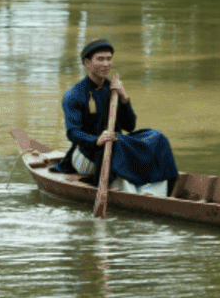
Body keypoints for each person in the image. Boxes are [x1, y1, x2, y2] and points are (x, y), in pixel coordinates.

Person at [53, 37, 179, 197]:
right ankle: (132, 195)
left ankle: (154, 194)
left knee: (157, 138)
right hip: (86, 156)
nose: (106, 64)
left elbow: (130, 126)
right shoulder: (74, 95)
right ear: (87, 63)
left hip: (116, 145)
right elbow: (73, 133)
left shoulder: (113, 89)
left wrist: (124, 98)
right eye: (100, 59)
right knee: (116, 144)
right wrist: (97, 140)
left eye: (109, 59)